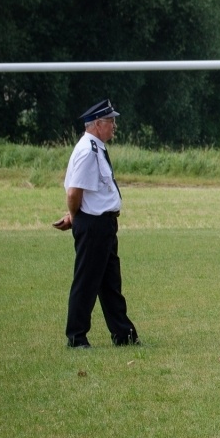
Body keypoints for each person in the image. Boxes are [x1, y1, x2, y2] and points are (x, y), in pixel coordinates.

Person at [52, 99, 140, 348]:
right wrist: (75, 216)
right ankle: (76, 338)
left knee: (110, 283)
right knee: (86, 282)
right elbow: (73, 193)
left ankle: (124, 335)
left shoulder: (96, 147)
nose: (114, 126)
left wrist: (74, 215)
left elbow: (90, 193)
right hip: (93, 226)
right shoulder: (87, 150)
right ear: (98, 124)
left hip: (103, 225)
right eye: (111, 121)